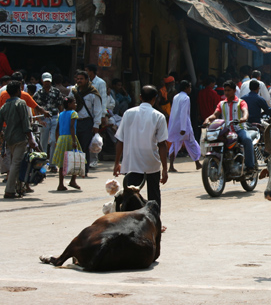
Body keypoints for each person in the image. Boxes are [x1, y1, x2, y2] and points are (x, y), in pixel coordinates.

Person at [114, 85, 169, 221]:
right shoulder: (159, 116)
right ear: (155, 99)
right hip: (151, 162)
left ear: (140, 97)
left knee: (131, 195)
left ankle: (131, 220)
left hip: (131, 161)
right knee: (154, 195)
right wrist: (165, 169)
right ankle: (155, 223)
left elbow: (120, 140)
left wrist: (116, 163)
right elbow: (162, 144)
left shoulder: (128, 113)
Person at [205, 81, 255, 173]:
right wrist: (208, 119)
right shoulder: (221, 104)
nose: (227, 93)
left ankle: (250, 166)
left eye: (229, 90)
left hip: (239, 129)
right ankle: (215, 162)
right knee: (212, 140)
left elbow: (245, 112)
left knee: (247, 140)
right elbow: (215, 115)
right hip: (226, 131)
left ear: (234, 90)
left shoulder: (241, 102)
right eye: (225, 90)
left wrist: (243, 118)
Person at [0, 81, 37, 198]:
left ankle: (18, 188)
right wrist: (31, 139)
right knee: (16, 164)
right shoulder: (20, 103)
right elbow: (25, 123)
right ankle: (9, 190)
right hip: (20, 138)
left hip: (9, 138)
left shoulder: (4, 106)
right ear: (18, 91)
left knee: (16, 162)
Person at [69, 70, 102, 176]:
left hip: (86, 122)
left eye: (81, 79)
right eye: (77, 79)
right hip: (74, 122)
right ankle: (74, 169)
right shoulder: (73, 91)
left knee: (84, 146)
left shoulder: (93, 93)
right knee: (74, 145)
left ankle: (84, 170)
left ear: (87, 80)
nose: (79, 81)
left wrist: (96, 125)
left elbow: (97, 110)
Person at [167, 80, 202, 172]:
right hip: (184, 125)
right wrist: (183, 128)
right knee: (192, 143)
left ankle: (171, 166)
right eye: (189, 87)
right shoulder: (186, 98)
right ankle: (197, 163)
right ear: (186, 88)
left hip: (175, 124)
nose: (190, 89)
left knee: (175, 145)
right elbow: (183, 113)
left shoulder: (176, 97)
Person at [33, 72, 64, 173]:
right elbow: (35, 107)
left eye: (49, 81)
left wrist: (62, 118)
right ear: (42, 81)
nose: (47, 83)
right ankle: (43, 164)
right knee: (43, 142)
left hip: (55, 117)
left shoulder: (56, 92)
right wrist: (39, 120)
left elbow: (60, 106)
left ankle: (53, 164)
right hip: (44, 119)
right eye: (45, 81)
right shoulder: (38, 94)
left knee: (54, 141)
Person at [52, 96, 83, 191]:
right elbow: (72, 127)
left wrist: (57, 140)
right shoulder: (73, 113)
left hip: (61, 138)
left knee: (62, 161)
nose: (76, 104)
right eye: (74, 102)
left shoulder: (60, 114)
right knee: (77, 158)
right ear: (69, 104)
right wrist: (74, 141)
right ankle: (73, 180)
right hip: (70, 137)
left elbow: (57, 129)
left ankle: (60, 184)